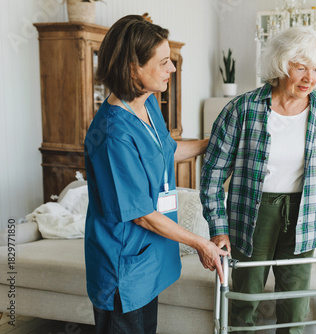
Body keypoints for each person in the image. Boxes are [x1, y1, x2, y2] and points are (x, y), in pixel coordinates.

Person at [84, 15, 228, 334]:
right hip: (123, 266)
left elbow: (167, 150)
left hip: (148, 259)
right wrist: (202, 244)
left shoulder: (148, 104)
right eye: (163, 62)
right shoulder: (111, 134)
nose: (172, 69)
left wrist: (215, 143)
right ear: (133, 67)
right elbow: (142, 216)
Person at [200, 26, 316, 334]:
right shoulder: (242, 109)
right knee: (245, 301)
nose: (310, 78)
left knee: (295, 305)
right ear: (281, 65)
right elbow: (212, 175)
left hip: (302, 214)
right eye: (301, 67)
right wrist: (218, 228)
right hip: (251, 215)